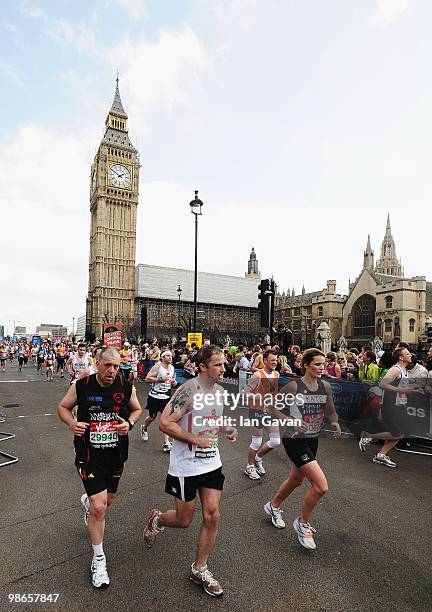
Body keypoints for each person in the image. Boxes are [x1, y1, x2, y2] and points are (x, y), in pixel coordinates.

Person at [143, 345, 237, 598]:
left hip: (211, 463)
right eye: (218, 364)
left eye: (224, 364)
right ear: (203, 366)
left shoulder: (218, 391)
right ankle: (158, 519)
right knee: (184, 520)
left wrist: (226, 428)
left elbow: (214, 418)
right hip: (186, 466)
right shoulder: (187, 391)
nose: (224, 368)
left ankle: (200, 569)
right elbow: (165, 423)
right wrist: (194, 440)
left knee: (213, 515)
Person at [57, 347, 142, 588]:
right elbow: (62, 407)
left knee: (108, 501)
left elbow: (136, 409)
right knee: (99, 507)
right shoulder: (82, 385)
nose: (112, 371)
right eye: (108, 366)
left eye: (116, 366)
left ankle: (88, 502)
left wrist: (130, 423)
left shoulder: (125, 386)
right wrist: (73, 423)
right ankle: (99, 560)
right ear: (98, 363)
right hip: (88, 454)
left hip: (116, 455)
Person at [264, 348, 341, 549]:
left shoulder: (325, 386)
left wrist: (334, 423)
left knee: (296, 480)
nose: (322, 368)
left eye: (324, 364)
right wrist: (290, 420)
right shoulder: (293, 387)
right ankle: (302, 522)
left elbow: (331, 411)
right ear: (305, 365)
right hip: (294, 439)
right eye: (317, 364)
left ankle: (273, 506)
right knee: (321, 486)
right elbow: (271, 408)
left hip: (312, 439)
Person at [359, 347, 417, 468]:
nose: (410, 355)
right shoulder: (395, 369)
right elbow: (383, 384)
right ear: (401, 357)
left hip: (400, 405)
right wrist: (402, 390)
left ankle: (381, 455)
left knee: (400, 433)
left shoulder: (404, 370)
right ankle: (369, 436)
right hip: (391, 405)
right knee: (398, 433)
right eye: (407, 353)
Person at [243, 350, 281, 480]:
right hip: (256, 411)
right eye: (272, 360)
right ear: (265, 361)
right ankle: (249, 466)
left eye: (276, 360)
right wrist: (258, 398)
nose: (275, 362)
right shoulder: (257, 375)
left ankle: (257, 458)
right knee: (257, 441)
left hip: (269, 412)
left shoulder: (276, 374)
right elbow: (245, 392)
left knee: (275, 441)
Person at [141, 350, 178, 451]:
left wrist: (174, 383)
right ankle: (144, 427)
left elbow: (171, 380)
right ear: (162, 357)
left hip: (166, 397)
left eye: (171, 355)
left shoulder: (172, 368)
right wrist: (160, 379)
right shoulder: (157, 366)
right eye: (167, 356)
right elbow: (147, 379)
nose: (170, 357)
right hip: (154, 396)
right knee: (152, 417)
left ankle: (166, 443)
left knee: (165, 420)